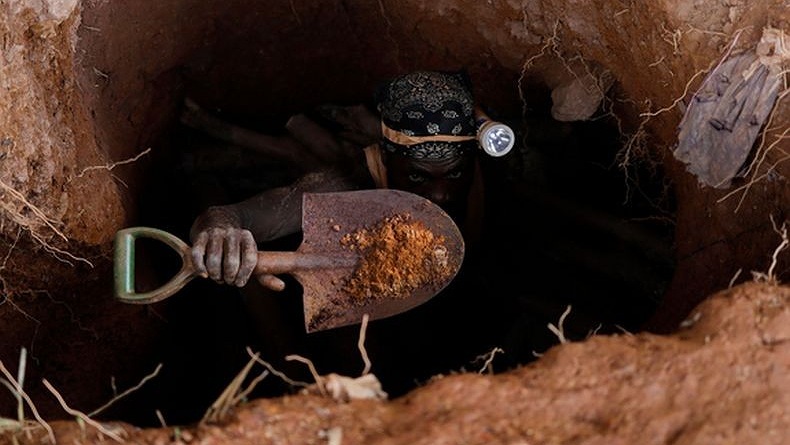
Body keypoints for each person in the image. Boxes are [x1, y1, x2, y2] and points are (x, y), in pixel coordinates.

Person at [183, 70, 514, 394]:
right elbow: (236, 214)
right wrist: (220, 230)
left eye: (455, 175)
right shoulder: (348, 179)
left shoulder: (488, 168)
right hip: (367, 338)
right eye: (417, 177)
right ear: (383, 158)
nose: (441, 194)